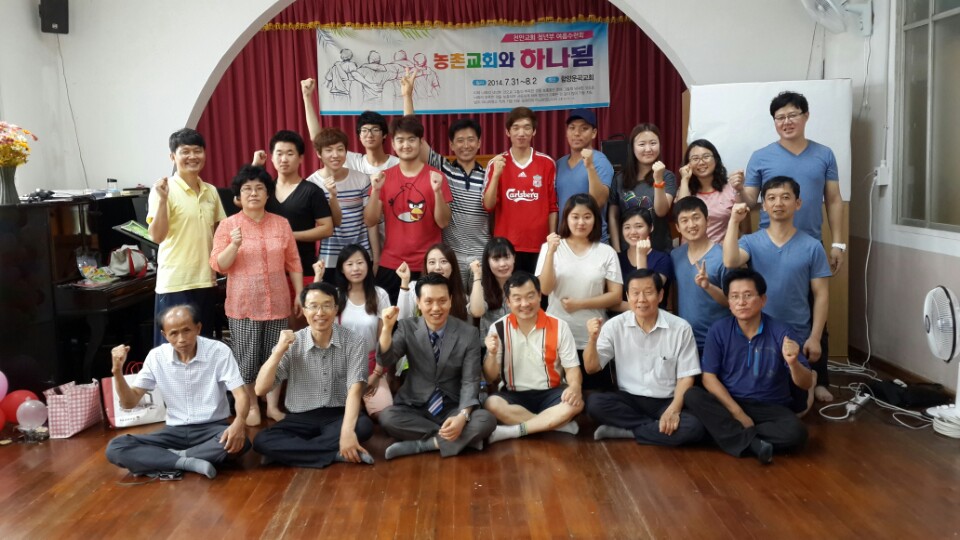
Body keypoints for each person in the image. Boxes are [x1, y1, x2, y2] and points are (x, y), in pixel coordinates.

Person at [743, 91, 846, 401]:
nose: (786, 122)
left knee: (816, 309)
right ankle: (765, 374)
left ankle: (819, 376)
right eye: (780, 117)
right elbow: (750, 201)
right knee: (764, 307)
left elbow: (834, 199)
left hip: (810, 243)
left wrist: (837, 242)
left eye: (792, 115)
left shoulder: (824, 154)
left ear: (805, 116)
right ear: (774, 121)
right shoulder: (760, 156)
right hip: (767, 246)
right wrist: (737, 190)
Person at [683, 268, 814, 464]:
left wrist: (793, 363)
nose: (741, 302)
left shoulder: (782, 331)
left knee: (796, 433)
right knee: (692, 395)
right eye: (734, 296)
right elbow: (709, 378)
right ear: (728, 302)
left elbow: (806, 383)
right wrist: (738, 413)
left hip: (770, 406)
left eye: (748, 295)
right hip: (730, 402)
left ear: (763, 300)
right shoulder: (718, 330)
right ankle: (754, 444)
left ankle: (727, 436)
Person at [105, 305, 249, 479]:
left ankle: (170, 459)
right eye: (173, 333)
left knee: (240, 442)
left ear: (198, 328)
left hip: (212, 428)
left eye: (187, 330)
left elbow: (240, 394)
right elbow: (129, 402)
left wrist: (239, 422)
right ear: (164, 335)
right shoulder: (156, 356)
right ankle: (189, 461)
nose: (181, 339)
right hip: (174, 432)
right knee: (116, 447)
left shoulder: (219, 351)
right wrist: (117, 372)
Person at [723, 178, 831, 402]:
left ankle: (811, 380)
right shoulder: (751, 242)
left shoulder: (812, 246)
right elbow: (730, 261)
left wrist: (815, 337)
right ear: (764, 205)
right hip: (758, 333)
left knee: (799, 408)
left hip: (796, 333)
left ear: (798, 203)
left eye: (785, 197)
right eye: (771, 198)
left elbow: (821, 295)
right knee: (759, 396)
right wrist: (733, 221)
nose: (778, 203)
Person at [210, 165, 302, 425]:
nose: (253, 193)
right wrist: (234, 244)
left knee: (276, 357)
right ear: (238, 196)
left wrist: (300, 293)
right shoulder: (228, 225)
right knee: (247, 360)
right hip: (244, 306)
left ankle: (271, 406)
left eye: (259, 188)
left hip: (278, 303)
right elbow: (218, 265)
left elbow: (294, 262)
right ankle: (251, 406)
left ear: (268, 194)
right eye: (247, 189)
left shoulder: (281, 224)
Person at [252, 282, 374, 468]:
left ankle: (290, 453)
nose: (320, 312)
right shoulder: (292, 342)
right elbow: (260, 389)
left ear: (336, 309)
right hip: (300, 418)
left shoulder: (354, 342)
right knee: (262, 440)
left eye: (326, 305)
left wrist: (347, 432)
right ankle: (335, 454)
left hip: (338, 415)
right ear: (304, 310)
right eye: (313, 306)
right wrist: (278, 352)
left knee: (363, 426)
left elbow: (355, 390)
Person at [376, 273, 496, 459]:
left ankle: (425, 445)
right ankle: (462, 440)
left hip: (453, 405)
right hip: (415, 406)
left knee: (485, 420)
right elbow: (385, 361)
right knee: (387, 418)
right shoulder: (407, 327)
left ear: (450, 300)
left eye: (442, 301)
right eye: (429, 301)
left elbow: (470, 380)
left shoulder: (468, 333)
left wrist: (462, 417)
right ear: (418, 302)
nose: (436, 308)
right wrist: (386, 329)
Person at [583, 270, 705, 446]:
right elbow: (591, 367)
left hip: (666, 400)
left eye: (648, 292)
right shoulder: (614, 326)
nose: (641, 299)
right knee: (594, 404)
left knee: (694, 428)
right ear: (627, 296)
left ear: (660, 295)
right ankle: (654, 429)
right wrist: (592, 339)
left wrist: (674, 409)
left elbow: (686, 377)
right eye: (635, 293)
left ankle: (628, 431)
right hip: (630, 399)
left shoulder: (681, 328)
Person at [402, 77, 489, 287]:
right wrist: (407, 96)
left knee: (481, 303)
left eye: (471, 140)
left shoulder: (489, 175)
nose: (466, 145)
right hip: (451, 256)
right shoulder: (443, 169)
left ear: (479, 143)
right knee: (454, 303)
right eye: (460, 140)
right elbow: (414, 135)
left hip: (482, 254)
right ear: (451, 145)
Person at [483, 272, 583, 444]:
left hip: (552, 392)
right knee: (491, 404)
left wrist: (574, 387)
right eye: (517, 298)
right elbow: (489, 377)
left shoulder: (559, 326)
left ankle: (515, 431)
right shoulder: (498, 328)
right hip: (513, 393)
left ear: (539, 296)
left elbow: (572, 368)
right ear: (508, 302)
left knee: (575, 403)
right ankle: (555, 424)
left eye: (530, 296)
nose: (524, 304)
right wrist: (491, 354)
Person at [147, 128, 227, 346]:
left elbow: (219, 234)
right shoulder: (163, 190)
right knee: (173, 351)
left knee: (203, 348)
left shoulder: (210, 191)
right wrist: (162, 200)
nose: (192, 156)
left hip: (206, 280)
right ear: (172, 156)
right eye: (185, 151)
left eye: (197, 150)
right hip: (175, 283)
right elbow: (157, 236)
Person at [536, 194, 622, 390]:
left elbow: (615, 296)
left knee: (595, 396)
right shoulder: (550, 247)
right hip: (557, 334)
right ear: (566, 218)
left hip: (593, 336)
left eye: (587, 217)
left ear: (595, 220)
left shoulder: (606, 252)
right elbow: (545, 289)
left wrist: (579, 304)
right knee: (559, 395)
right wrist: (550, 253)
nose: (581, 222)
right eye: (575, 217)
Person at [364, 115, 452, 304]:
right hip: (392, 263)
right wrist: (376, 191)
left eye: (411, 139)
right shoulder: (383, 177)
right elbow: (370, 220)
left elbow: (443, 222)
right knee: (388, 317)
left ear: (420, 142)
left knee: (430, 316)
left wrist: (437, 192)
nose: (406, 145)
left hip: (428, 264)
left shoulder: (436, 176)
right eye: (400, 140)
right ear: (393, 144)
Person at [251, 130, 334, 299]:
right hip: (269, 272)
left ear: (301, 158)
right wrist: (255, 167)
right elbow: (239, 200)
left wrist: (290, 235)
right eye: (279, 154)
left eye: (290, 154)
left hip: (304, 269)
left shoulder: (312, 191)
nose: (284, 159)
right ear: (271, 158)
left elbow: (327, 228)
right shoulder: (263, 190)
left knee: (303, 315)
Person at [313, 246, 393, 416]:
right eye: (350, 264)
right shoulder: (335, 296)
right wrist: (318, 278)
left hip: (372, 365)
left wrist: (377, 373)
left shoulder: (379, 295)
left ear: (368, 265)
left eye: (360, 263)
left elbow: (384, 338)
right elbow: (315, 318)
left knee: (384, 415)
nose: (356, 268)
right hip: (341, 366)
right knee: (342, 414)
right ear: (342, 269)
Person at [483, 107, 558, 274]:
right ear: (507, 132)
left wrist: (551, 240)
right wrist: (496, 175)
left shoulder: (547, 163)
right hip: (506, 247)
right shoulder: (496, 163)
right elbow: (488, 205)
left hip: (539, 245)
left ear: (534, 131)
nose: (521, 133)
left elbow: (552, 206)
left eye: (526, 127)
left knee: (539, 289)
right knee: (509, 290)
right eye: (516, 128)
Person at [306, 127, 380, 284]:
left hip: (361, 256)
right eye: (329, 150)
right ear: (319, 154)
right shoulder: (311, 184)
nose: (335, 155)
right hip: (329, 259)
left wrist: (376, 257)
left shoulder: (361, 179)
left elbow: (370, 223)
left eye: (340, 149)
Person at [302, 78, 399, 176]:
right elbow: (318, 139)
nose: (370, 135)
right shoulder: (353, 161)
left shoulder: (397, 164)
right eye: (364, 130)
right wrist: (307, 97)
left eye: (375, 130)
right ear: (359, 136)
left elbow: (407, 130)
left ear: (384, 134)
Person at [669, 197, 729, 355]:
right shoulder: (675, 255)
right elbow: (676, 295)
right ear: (678, 227)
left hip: (718, 341)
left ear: (707, 221)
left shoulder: (723, 257)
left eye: (696, 218)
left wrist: (708, 287)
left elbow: (732, 301)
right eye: (684, 220)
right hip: (685, 340)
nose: (691, 225)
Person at [608, 123, 676, 253]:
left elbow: (661, 211)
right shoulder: (620, 178)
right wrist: (617, 250)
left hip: (658, 251)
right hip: (627, 251)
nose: (648, 149)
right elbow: (613, 217)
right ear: (632, 147)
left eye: (653, 143)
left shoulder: (667, 176)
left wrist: (658, 180)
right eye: (642, 144)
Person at [555, 109, 615, 242]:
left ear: (594, 133)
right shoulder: (559, 164)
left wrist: (590, 167)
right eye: (572, 128)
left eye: (584, 128)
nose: (577, 133)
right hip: (565, 241)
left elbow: (598, 201)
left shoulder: (600, 161)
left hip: (593, 241)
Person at [676, 139, 749, 244]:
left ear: (715, 159)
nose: (701, 162)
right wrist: (684, 179)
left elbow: (744, 227)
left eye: (706, 157)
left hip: (722, 250)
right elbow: (681, 212)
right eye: (695, 158)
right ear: (688, 164)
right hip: (690, 250)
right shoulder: (684, 189)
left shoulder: (731, 188)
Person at [612, 207, 673, 312]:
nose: (632, 232)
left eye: (639, 226)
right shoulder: (616, 259)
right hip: (622, 319)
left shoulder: (663, 259)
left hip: (653, 318)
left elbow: (646, 294)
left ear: (651, 227)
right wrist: (637, 307)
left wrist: (641, 255)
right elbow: (612, 303)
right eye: (627, 227)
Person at [396, 242, 469, 322]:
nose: (437, 267)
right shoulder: (414, 287)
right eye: (432, 262)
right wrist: (405, 281)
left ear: (452, 266)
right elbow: (402, 319)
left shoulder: (462, 297)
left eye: (443, 261)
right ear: (426, 266)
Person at [468, 237, 518, 340]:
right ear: (487, 262)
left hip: (519, 342)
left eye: (507, 257)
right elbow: (476, 312)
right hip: (491, 345)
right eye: (496, 259)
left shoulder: (523, 284)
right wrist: (477, 275)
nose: (502, 264)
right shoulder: (482, 287)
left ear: (514, 258)